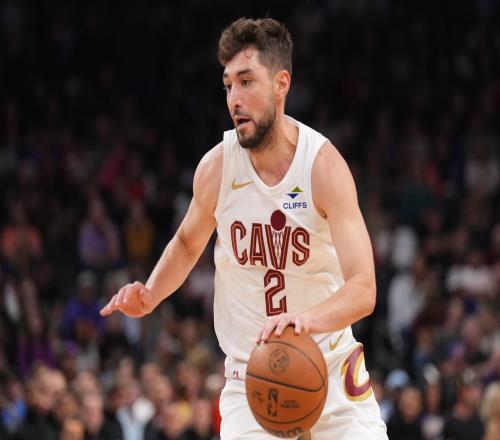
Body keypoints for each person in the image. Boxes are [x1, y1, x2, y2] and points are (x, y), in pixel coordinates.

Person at [100, 17, 387, 439]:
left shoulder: (323, 167)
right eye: (228, 85)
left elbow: (363, 289)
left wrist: (304, 321)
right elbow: (187, 242)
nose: (234, 98)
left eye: (247, 82)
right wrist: (151, 293)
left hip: (328, 365)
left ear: (281, 84)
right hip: (252, 378)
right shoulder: (217, 167)